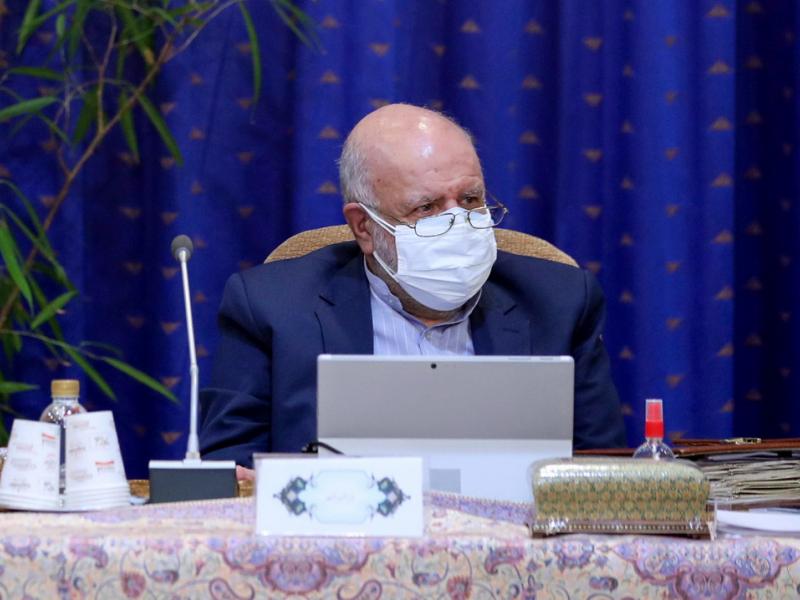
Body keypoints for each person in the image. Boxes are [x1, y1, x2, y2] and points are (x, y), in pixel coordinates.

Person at [200, 103, 627, 469]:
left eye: (471, 200)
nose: (458, 223)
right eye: (426, 207)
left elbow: (603, 472)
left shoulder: (560, 303)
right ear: (364, 227)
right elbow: (229, 474)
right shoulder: (270, 308)